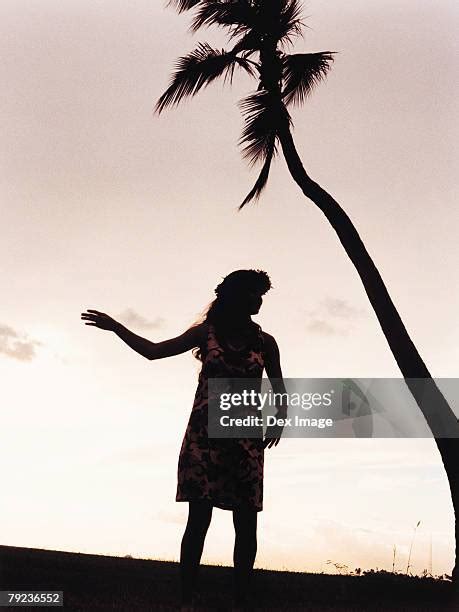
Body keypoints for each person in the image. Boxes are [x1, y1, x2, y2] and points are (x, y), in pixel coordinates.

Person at [81, 269, 287, 611]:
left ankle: (241, 600)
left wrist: (279, 421)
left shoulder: (266, 343)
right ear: (236, 297)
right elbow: (153, 351)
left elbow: (279, 389)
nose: (259, 300)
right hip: (204, 439)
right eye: (253, 293)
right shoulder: (206, 334)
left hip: (245, 440)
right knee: (198, 519)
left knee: (246, 521)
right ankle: (187, 601)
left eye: (261, 294)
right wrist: (116, 327)